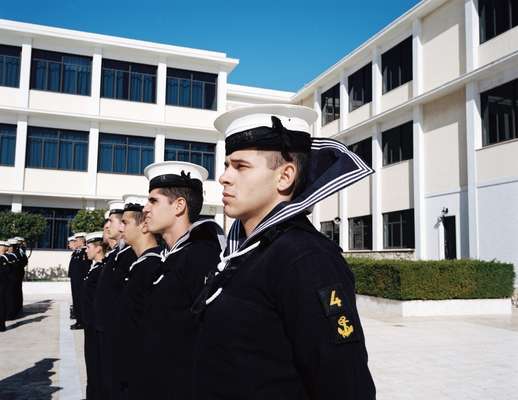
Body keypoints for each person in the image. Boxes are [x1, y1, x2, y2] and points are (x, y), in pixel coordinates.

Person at [192, 104, 376, 399]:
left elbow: (345, 384)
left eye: (240, 166)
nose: (224, 177)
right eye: (226, 166)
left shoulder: (305, 258)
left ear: (285, 176)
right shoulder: (245, 253)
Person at [130, 161, 224, 400]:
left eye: (153, 201)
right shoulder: (170, 256)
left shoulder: (202, 257)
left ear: (179, 206)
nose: (145, 209)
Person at [113, 194, 162, 397]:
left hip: (141, 373)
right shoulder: (139, 264)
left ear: (143, 226)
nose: (120, 228)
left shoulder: (152, 265)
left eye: (125, 222)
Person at [94, 200, 137, 400]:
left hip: (116, 333)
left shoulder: (130, 256)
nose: (108, 226)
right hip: (106, 329)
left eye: (111, 221)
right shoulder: (117, 255)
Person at [82, 231, 107, 400]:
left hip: (95, 326)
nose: (86, 250)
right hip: (89, 325)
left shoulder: (102, 270)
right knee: (91, 366)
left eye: (89, 247)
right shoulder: (95, 268)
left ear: (98, 249)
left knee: (97, 366)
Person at [69, 233, 90, 330]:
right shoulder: (77, 252)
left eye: (77, 240)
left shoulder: (84, 253)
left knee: (80, 301)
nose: (75, 242)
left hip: (81, 282)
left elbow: (86, 268)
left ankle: (81, 321)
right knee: (76, 300)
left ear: (82, 241)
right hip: (75, 281)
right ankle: (78, 320)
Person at [0, 240, 9, 332]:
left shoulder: (3, 259)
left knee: (2, 304)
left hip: (2, 286)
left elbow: (6, 273)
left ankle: (1, 325)